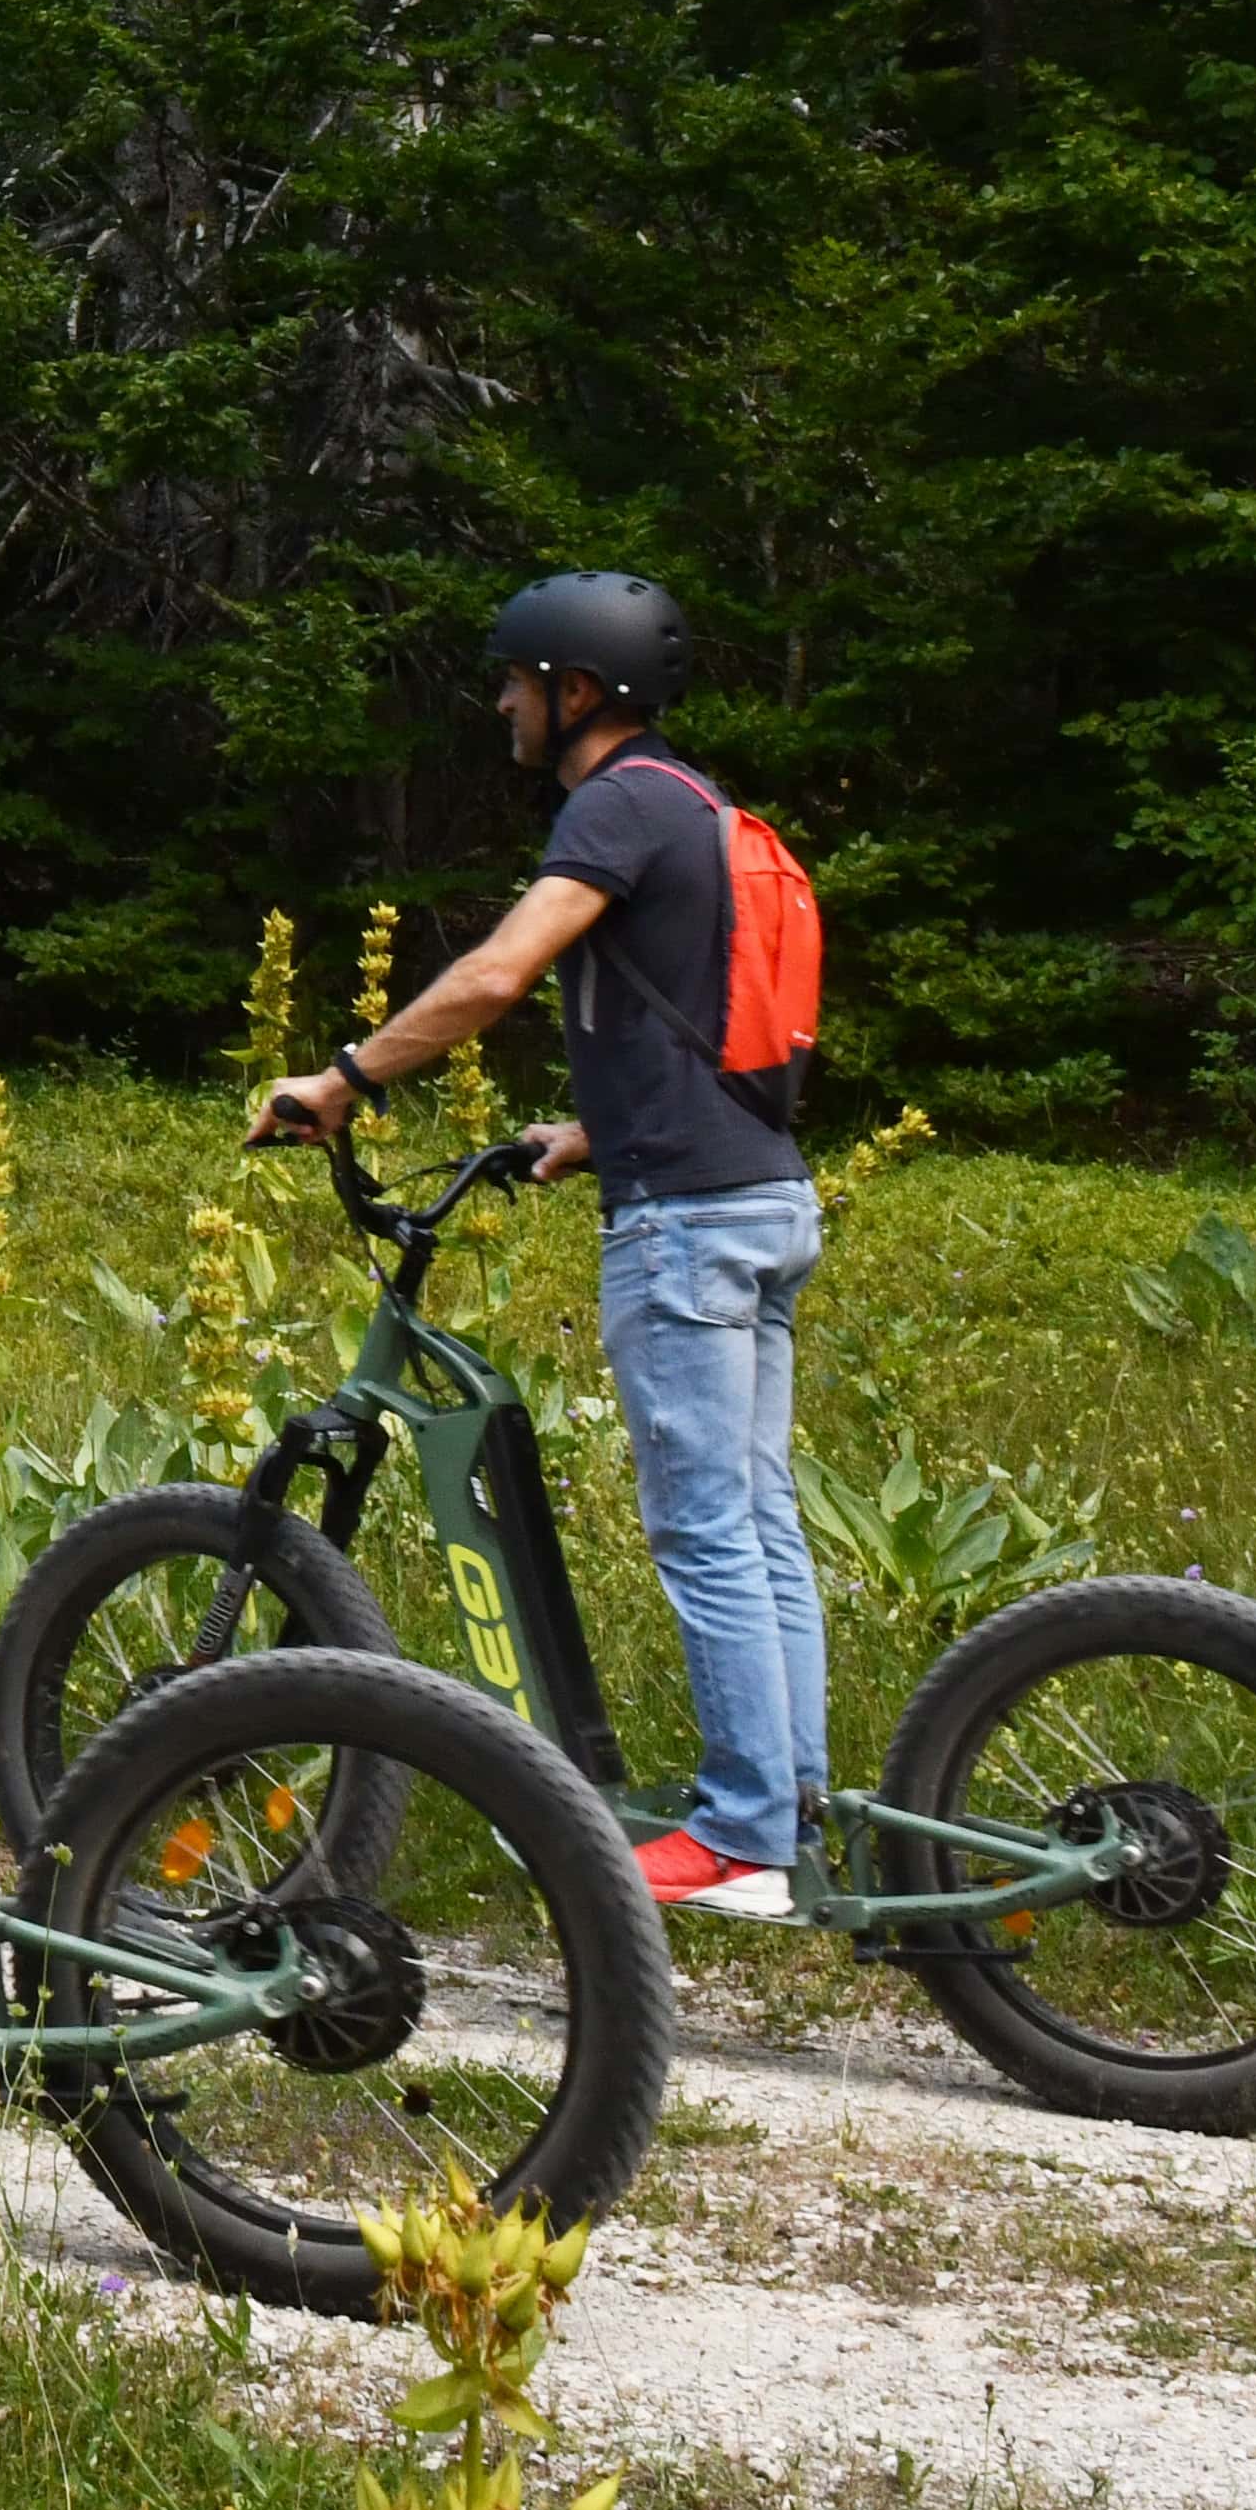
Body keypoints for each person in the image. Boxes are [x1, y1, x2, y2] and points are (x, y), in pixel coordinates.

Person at [245, 571, 819, 1920]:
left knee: (706, 1531)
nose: (500, 702)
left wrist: (342, 1080)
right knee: (762, 1521)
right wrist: (596, 1132)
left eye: (514, 680)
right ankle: (787, 1806)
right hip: (761, 1193)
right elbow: (697, 1013)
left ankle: (740, 1838)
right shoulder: (696, 804)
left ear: (577, 690)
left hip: (688, 1224)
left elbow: (501, 971)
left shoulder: (613, 805)